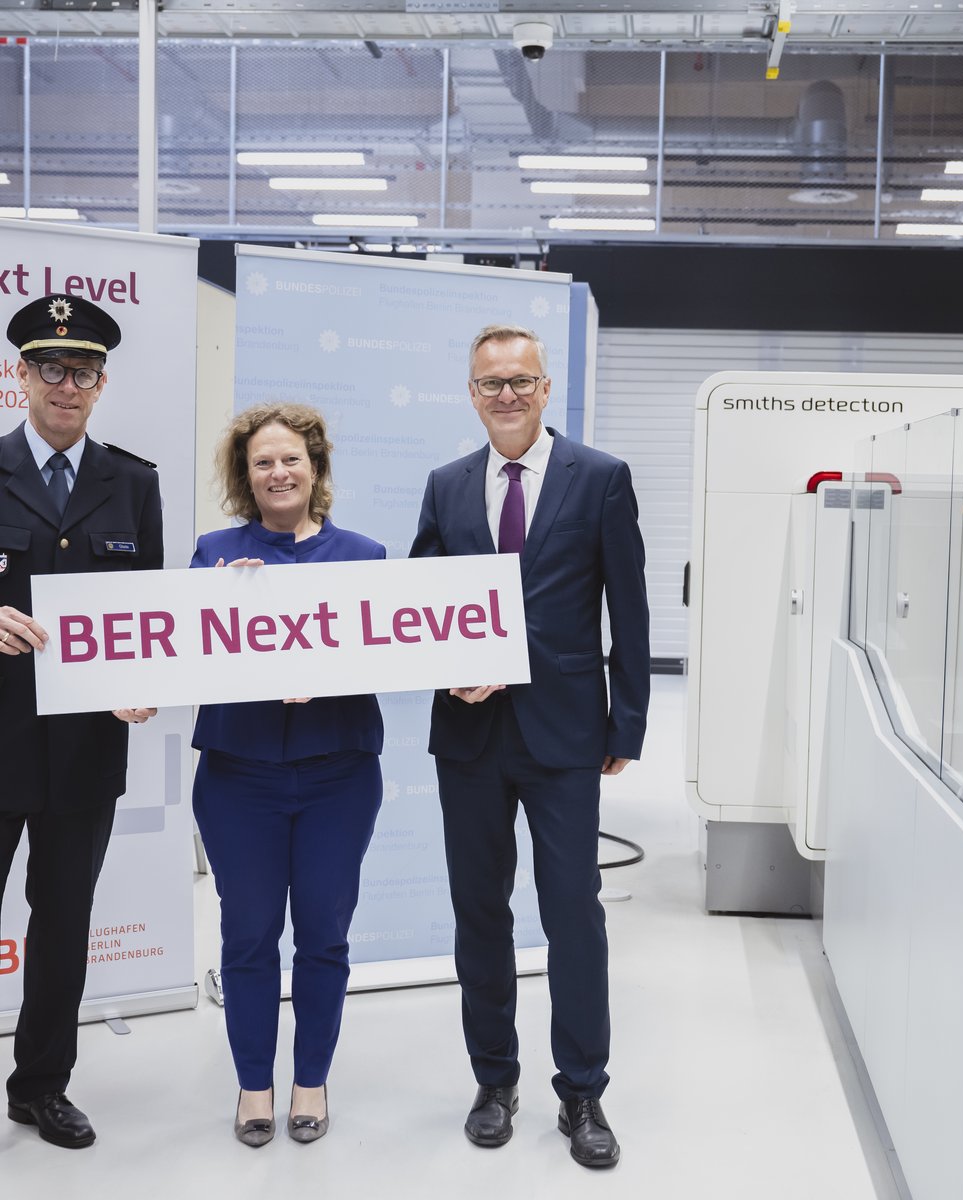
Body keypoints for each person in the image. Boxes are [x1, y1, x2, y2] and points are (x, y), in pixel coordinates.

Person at [410, 323, 650, 1169]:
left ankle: (582, 1091)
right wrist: (447, 671)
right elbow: (419, 606)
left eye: (521, 381)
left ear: (546, 389)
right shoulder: (446, 485)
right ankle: (494, 1080)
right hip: (471, 737)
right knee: (481, 914)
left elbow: (630, 605)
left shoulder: (600, 478)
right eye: (489, 384)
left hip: (564, 735)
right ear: (471, 393)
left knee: (572, 915)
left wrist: (627, 723)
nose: (506, 395)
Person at [191, 403, 384, 1148]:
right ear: (246, 475)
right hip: (239, 777)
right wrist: (222, 599)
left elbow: (387, 654)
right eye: (263, 461)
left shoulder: (364, 555)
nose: (278, 472)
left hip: (338, 774)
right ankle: (252, 1086)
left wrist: (329, 677)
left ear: (316, 468)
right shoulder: (214, 553)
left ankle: (310, 1079)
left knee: (324, 937)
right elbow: (182, 650)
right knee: (246, 937)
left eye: (291, 459)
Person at [0, 294, 162, 1150]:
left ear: (102, 385)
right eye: (51, 368)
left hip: (87, 750)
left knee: (62, 926)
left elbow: (149, 619)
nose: (67, 385)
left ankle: (41, 1088)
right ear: (21, 373)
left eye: (85, 372)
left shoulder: (133, 483)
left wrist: (148, 682)